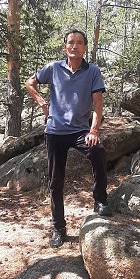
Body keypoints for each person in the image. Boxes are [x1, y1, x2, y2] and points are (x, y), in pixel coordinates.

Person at [25, 28, 112, 248]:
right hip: (55, 131)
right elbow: (29, 83)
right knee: (56, 181)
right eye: (71, 42)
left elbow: (98, 103)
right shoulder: (54, 68)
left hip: (80, 131)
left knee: (98, 151)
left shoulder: (92, 71)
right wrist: (42, 102)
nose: (75, 46)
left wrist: (93, 131)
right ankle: (58, 228)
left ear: (85, 47)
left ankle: (100, 200)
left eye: (79, 42)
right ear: (65, 47)